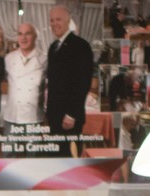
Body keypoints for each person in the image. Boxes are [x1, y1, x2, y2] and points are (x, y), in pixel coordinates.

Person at [44, 4, 94, 155]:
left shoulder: (81, 46)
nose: (54, 24)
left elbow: (83, 82)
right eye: (52, 20)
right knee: (56, 157)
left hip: (69, 117)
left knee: (69, 158)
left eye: (58, 19)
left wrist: (72, 114)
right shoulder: (53, 47)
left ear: (68, 21)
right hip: (54, 115)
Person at [3, 22, 44, 126]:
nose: (23, 38)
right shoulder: (9, 58)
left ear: (35, 36)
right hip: (12, 117)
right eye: (20, 34)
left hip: (34, 118)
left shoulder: (44, 59)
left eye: (28, 34)